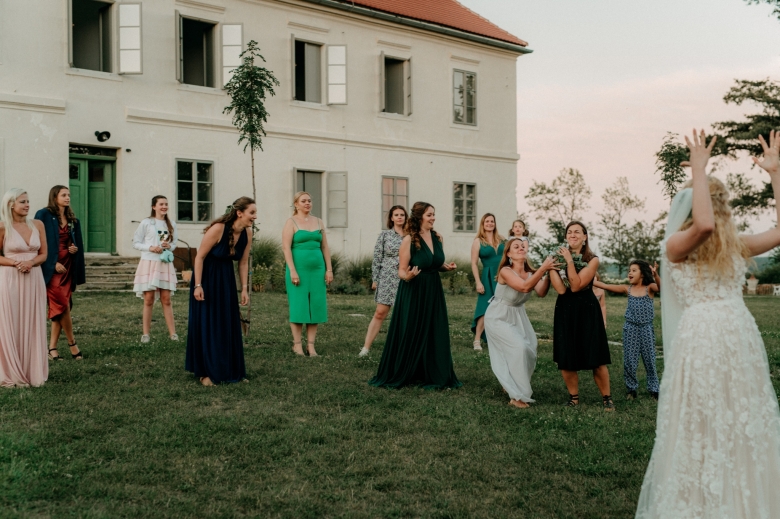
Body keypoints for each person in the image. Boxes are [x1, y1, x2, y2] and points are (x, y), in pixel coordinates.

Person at [635, 130, 780, 518]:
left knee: (741, 417)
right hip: (704, 339)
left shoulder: (735, 245)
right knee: (702, 421)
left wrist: (776, 174)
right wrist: (700, 171)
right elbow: (704, 227)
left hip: (737, 337)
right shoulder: (675, 246)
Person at [369, 202, 461, 390]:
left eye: (434, 214)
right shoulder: (409, 240)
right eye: (429, 215)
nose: (433, 218)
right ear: (420, 217)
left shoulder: (437, 237)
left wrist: (446, 267)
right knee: (411, 330)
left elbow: (434, 263)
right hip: (414, 290)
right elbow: (401, 270)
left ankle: (433, 372)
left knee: (434, 330)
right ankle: (405, 371)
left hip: (433, 290)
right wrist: (407, 276)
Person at [185, 196, 255, 386]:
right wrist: (198, 285)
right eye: (252, 212)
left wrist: (244, 289)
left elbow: (243, 262)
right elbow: (199, 257)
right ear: (239, 213)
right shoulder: (218, 229)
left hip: (226, 280)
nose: (255, 216)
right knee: (209, 323)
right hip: (207, 279)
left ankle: (232, 370)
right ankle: (205, 372)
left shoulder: (248, 233)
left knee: (227, 323)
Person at [484, 236, 557, 408]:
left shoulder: (531, 273)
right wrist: (543, 268)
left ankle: (511, 383)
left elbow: (541, 292)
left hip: (518, 314)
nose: (521, 248)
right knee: (519, 347)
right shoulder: (506, 271)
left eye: (523, 246)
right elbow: (524, 287)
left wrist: (548, 273)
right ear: (508, 254)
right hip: (498, 315)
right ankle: (516, 396)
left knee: (530, 348)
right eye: (516, 246)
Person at [549, 221, 614, 411]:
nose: (573, 235)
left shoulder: (592, 260)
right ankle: (574, 398)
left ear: (585, 236)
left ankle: (607, 398)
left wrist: (569, 261)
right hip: (565, 309)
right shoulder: (557, 258)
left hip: (587, 309)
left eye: (577, 232)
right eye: (569, 232)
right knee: (566, 355)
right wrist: (551, 267)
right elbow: (561, 289)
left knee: (596, 355)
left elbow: (576, 285)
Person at [0, 188, 49, 387]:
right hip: (10, 278)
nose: (27, 205)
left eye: (28, 201)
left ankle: (32, 370)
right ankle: (11, 371)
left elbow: (44, 254)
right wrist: (16, 263)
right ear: (11, 204)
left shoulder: (38, 224)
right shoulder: (2, 227)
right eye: (23, 202)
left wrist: (31, 262)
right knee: (11, 321)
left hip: (34, 278)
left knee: (33, 320)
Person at [593, 260, 660, 400]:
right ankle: (631, 389)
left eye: (634, 270)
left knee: (650, 360)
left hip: (646, 328)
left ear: (643, 274)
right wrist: (588, 279)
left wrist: (656, 275)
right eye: (629, 270)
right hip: (630, 328)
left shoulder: (650, 288)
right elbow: (606, 285)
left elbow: (661, 288)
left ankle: (654, 389)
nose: (630, 273)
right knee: (630, 360)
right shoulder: (627, 289)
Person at [35, 185, 86, 360]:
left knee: (61, 307)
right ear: (54, 197)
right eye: (63, 195)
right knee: (62, 305)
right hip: (53, 267)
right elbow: (38, 242)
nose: (67, 197)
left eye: (68, 195)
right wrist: (52, 263)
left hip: (68, 266)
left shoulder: (73, 219)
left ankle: (52, 349)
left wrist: (73, 248)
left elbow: (75, 241)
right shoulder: (43, 215)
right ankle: (73, 344)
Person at [282, 191, 333, 357]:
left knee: (316, 306)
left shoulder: (319, 221)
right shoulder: (291, 222)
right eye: (303, 201)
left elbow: (325, 247)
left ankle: (311, 346)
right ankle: (297, 345)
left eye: (309, 201)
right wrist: (292, 270)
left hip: (317, 270)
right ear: (296, 204)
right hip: (298, 269)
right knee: (299, 306)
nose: (307, 203)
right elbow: (286, 248)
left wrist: (329, 269)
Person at [359, 205, 407, 357]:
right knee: (380, 313)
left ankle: (402, 349)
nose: (399, 217)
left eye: (402, 214)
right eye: (396, 215)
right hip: (387, 276)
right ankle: (366, 348)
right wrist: (375, 279)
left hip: (406, 277)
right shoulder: (385, 235)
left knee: (404, 315)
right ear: (391, 218)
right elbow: (377, 258)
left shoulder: (411, 235)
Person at [132, 196, 178, 343]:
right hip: (149, 263)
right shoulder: (146, 223)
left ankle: (173, 334)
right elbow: (136, 242)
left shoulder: (171, 224)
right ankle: (145, 334)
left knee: (166, 299)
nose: (164, 206)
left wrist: (169, 246)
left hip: (164, 264)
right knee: (149, 299)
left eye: (166, 204)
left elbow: (174, 243)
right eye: (161, 204)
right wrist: (150, 247)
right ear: (154, 207)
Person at [470, 213, 505, 351]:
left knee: (503, 308)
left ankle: (499, 339)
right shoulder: (478, 241)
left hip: (503, 276)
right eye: (487, 221)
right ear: (483, 224)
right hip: (487, 277)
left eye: (492, 221)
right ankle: (477, 339)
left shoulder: (502, 239)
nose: (490, 223)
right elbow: (474, 263)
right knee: (485, 308)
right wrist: (478, 282)